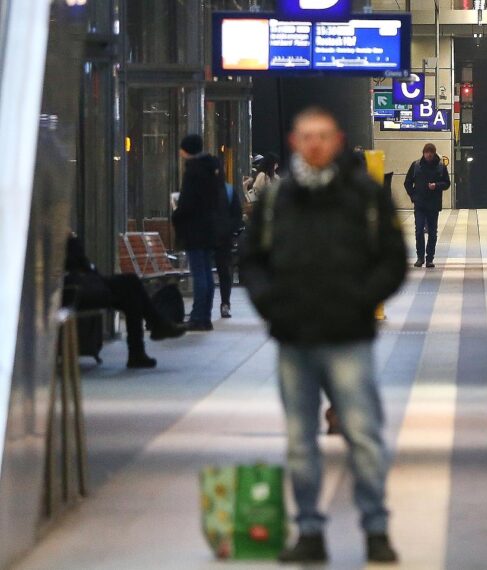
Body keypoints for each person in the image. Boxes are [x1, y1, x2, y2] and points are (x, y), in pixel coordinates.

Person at [240, 107, 407, 564]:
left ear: (335, 142)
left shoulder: (366, 197)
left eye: (323, 136)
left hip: (349, 334)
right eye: (306, 136)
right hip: (294, 337)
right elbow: (250, 259)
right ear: (295, 142)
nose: (315, 144)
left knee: (363, 434)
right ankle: (309, 532)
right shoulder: (277, 200)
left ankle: (376, 530)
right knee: (299, 440)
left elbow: (393, 259)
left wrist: (361, 299)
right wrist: (270, 304)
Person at [63, 235, 185, 368]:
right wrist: (70, 238)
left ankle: (149, 337)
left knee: (131, 285)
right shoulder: (50, 238)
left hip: (81, 285)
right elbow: (76, 262)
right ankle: (148, 338)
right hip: (72, 290)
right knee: (130, 289)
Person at [172, 134, 223, 332]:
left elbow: (187, 202)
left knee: (199, 273)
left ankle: (198, 316)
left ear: (187, 150)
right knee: (207, 274)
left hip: (194, 229)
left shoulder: (193, 171)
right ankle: (205, 315)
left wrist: (176, 214)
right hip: (208, 228)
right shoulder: (211, 169)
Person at [403, 143, 451, 268]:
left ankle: (429, 258)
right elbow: (407, 182)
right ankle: (420, 257)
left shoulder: (441, 167)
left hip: (433, 205)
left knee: (432, 232)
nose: (429, 154)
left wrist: (436, 186)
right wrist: (413, 196)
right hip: (419, 204)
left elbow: (447, 183)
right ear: (423, 153)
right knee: (419, 231)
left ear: (434, 153)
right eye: (427, 152)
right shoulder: (416, 165)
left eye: (431, 152)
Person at [216, 172, 245, 319]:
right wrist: (230, 230)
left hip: (206, 238)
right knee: (224, 272)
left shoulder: (201, 189)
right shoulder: (229, 190)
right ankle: (225, 304)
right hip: (224, 239)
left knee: (205, 274)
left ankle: (202, 309)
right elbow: (237, 215)